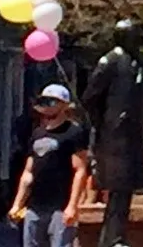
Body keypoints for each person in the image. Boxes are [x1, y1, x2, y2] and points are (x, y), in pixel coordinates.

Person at [8, 85, 90, 247]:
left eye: (53, 101)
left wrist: (73, 206)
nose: (47, 105)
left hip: (60, 204)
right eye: (45, 100)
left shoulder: (73, 132)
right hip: (35, 205)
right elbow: (28, 172)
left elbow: (80, 170)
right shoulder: (37, 133)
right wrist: (18, 203)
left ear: (64, 105)